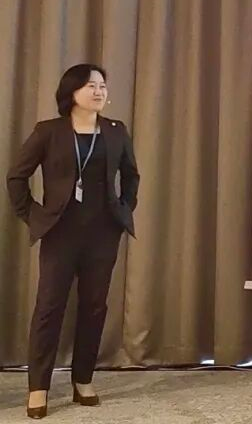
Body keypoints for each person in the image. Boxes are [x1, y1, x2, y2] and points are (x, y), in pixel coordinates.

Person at [7, 65, 141, 420]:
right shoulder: (48, 131)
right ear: (72, 91)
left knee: (94, 306)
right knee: (49, 307)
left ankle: (83, 380)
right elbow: (17, 177)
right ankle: (38, 386)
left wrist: (123, 209)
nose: (98, 91)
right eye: (90, 85)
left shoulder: (115, 130)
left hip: (103, 233)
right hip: (60, 232)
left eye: (102, 85)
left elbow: (131, 175)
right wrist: (34, 216)